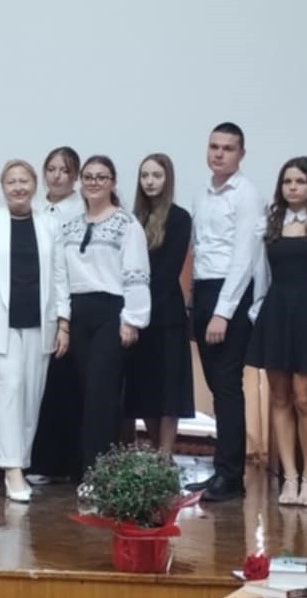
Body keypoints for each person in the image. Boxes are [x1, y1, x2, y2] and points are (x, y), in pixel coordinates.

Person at [247, 156, 307, 507]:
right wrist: (258, 311)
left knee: (305, 397)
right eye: (287, 181)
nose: (293, 187)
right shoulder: (269, 223)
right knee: (279, 397)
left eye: (300, 181)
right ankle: (289, 476)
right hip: (277, 311)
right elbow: (261, 273)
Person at [0, 159, 62, 502]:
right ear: (2, 187)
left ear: (34, 185)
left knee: (30, 397)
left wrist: (64, 322)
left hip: (40, 323)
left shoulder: (50, 224)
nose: (18, 187)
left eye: (24, 181)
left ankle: (21, 462)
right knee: (8, 391)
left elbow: (60, 276)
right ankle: (11, 470)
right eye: (11, 182)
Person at [53, 155, 151, 474]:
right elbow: (61, 276)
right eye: (89, 177)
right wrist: (63, 321)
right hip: (78, 311)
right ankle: (79, 467)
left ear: (113, 183)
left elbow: (136, 273)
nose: (94, 182)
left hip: (111, 312)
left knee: (102, 392)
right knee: (80, 390)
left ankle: (98, 470)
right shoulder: (69, 227)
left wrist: (132, 319)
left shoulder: (126, 224)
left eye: (101, 177)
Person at [187, 122, 263, 503]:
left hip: (229, 294)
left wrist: (223, 312)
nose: (219, 154)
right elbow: (199, 249)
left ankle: (231, 477)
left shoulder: (246, 194)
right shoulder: (202, 192)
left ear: (241, 154)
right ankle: (221, 469)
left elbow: (244, 258)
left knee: (228, 385)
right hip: (204, 290)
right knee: (217, 387)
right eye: (214, 146)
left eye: (228, 148)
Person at [127, 153, 194, 454]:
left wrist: (142, 300)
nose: (150, 181)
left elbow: (168, 270)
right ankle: (155, 451)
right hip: (136, 316)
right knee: (145, 388)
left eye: (156, 175)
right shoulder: (132, 218)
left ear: (168, 179)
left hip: (166, 313)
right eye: (145, 176)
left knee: (169, 390)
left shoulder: (179, 218)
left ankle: (166, 454)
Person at [28, 145, 85, 486]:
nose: (57, 176)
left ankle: (71, 463)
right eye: (51, 169)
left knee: (69, 385)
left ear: (75, 176)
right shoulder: (33, 207)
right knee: (41, 386)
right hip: (37, 304)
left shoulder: (83, 208)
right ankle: (42, 461)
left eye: (65, 170)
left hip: (73, 302)